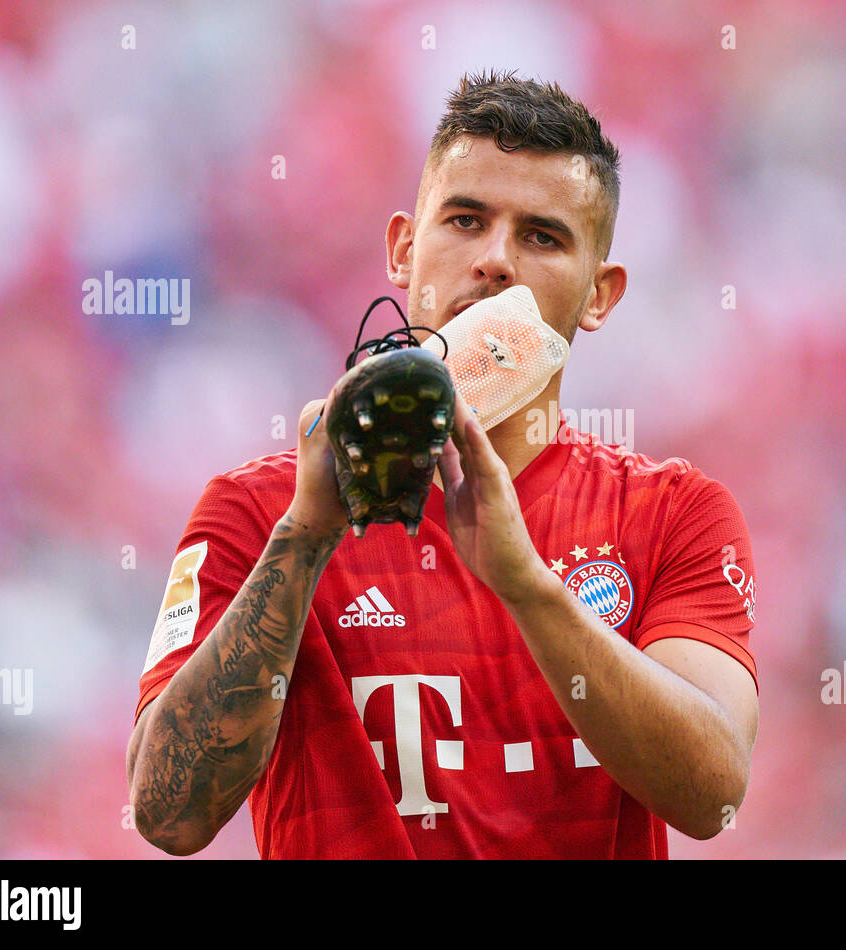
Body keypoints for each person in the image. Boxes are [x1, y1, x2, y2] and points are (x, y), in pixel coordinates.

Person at [126, 70, 759, 859]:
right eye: (465, 220)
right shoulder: (260, 509)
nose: (495, 261)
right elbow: (166, 813)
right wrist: (306, 538)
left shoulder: (672, 514)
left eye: (542, 236)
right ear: (403, 248)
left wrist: (525, 583)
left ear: (600, 296)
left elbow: (712, 794)